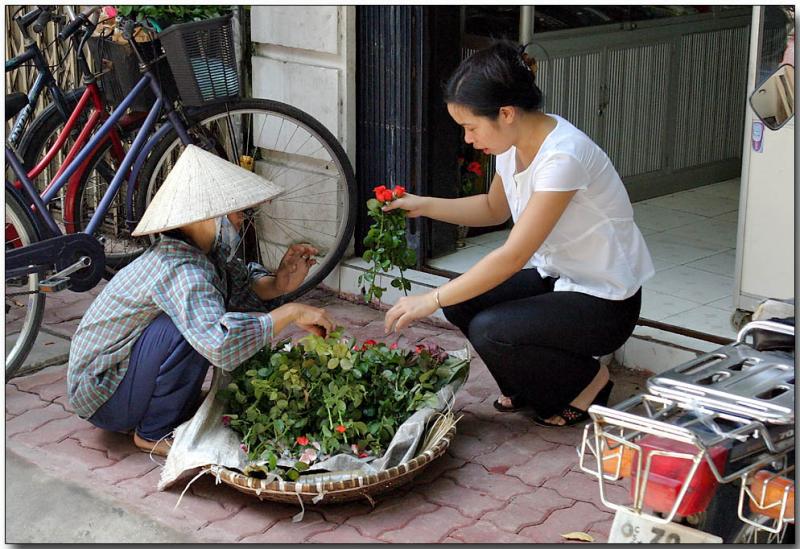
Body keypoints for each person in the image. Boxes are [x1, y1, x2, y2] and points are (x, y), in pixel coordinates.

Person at [382, 41, 654, 427]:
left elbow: (512, 257)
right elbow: (494, 209)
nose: (468, 139)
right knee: (463, 303)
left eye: (470, 127)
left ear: (506, 113)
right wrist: (422, 203)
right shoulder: (512, 144)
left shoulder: (563, 157)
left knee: (491, 329)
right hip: (560, 279)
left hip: (605, 299)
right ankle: (530, 384)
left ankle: (588, 381)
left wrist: (429, 298)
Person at [67, 145, 335, 455]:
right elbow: (219, 341)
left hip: (117, 383)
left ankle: (159, 408)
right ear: (204, 218)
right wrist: (291, 312)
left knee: (200, 318)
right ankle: (153, 432)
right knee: (191, 329)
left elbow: (239, 283)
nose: (242, 218)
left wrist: (279, 284)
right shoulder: (181, 269)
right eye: (234, 210)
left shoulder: (208, 254)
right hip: (102, 394)